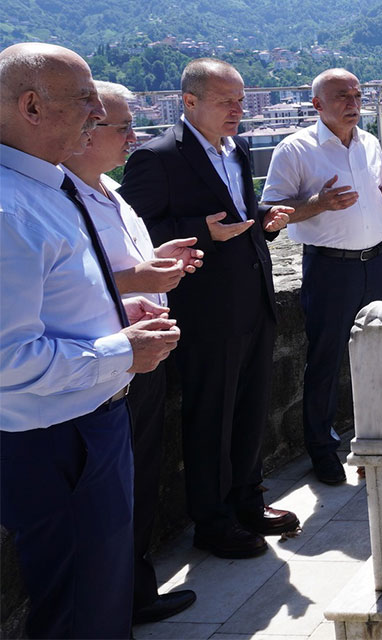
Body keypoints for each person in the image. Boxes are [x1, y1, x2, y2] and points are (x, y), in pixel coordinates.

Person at [0, 42, 180, 638]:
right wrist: (122, 350)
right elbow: (6, 359)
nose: (95, 116)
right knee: (80, 608)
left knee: (100, 597)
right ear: (30, 106)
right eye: (83, 101)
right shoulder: (10, 211)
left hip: (87, 424)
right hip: (58, 441)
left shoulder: (42, 188)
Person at [119, 58, 299, 560]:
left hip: (252, 300)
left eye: (241, 99)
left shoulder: (238, 148)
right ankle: (213, 522)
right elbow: (136, 237)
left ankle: (247, 500)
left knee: (248, 411)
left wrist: (264, 218)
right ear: (190, 102)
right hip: (204, 311)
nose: (238, 110)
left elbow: (237, 212)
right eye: (227, 101)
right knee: (209, 418)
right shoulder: (157, 158)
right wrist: (202, 229)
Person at [62, 80, 201, 624]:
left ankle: (135, 589)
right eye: (122, 126)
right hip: (110, 359)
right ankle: (122, 600)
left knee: (138, 479)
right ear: (86, 131)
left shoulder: (107, 189)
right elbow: (70, 283)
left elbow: (119, 264)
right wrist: (138, 279)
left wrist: (156, 261)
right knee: (115, 492)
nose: (133, 137)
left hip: (139, 352)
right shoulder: (63, 196)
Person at [262, 68, 382, 484]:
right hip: (331, 267)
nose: (353, 102)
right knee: (326, 361)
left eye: (357, 94)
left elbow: (373, 203)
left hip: (378, 260)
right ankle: (323, 450)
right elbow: (272, 216)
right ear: (317, 105)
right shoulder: (295, 150)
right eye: (342, 96)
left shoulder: (369, 142)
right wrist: (319, 203)